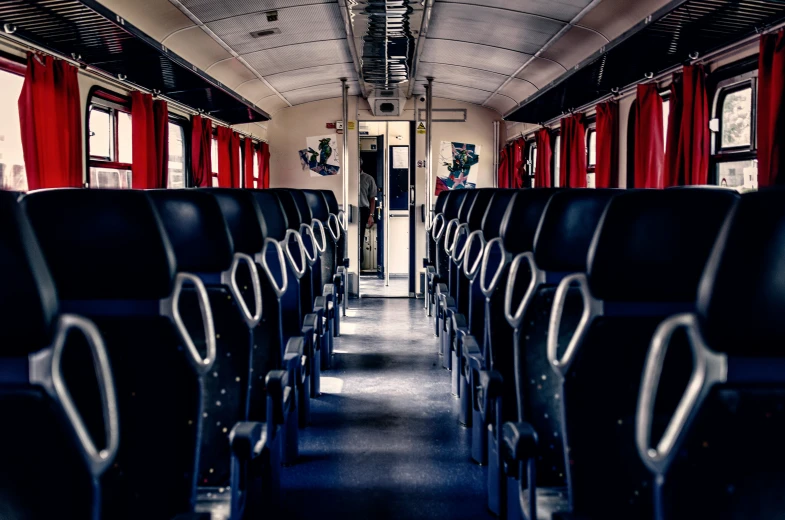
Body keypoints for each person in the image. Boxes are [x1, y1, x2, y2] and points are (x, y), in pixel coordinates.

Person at [359, 159, 377, 265]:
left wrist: (371, 215)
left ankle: (360, 263)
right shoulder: (348, 177)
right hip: (349, 209)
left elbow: (372, 199)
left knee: (360, 237)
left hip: (363, 209)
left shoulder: (368, 178)